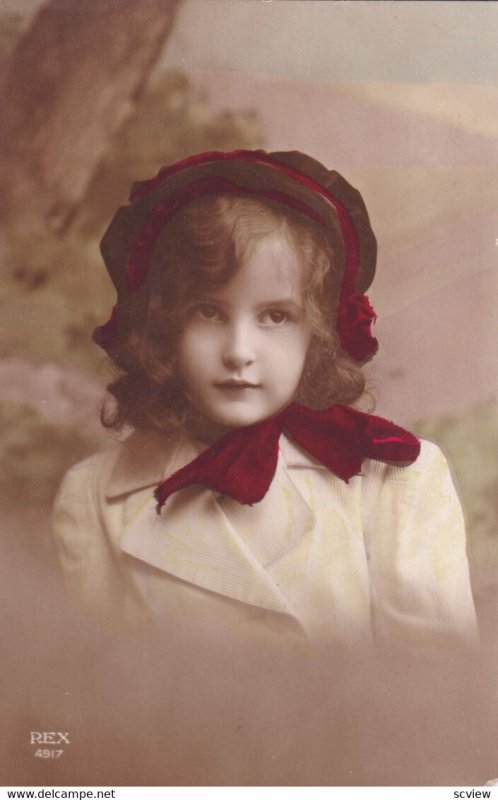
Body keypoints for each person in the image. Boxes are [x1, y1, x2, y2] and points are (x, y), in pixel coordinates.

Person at [52, 149, 478, 655]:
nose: (238, 352)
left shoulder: (395, 482)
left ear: (317, 334)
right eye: (209, 312)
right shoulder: (93, 497)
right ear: (164, 328)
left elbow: (431, 700)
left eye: (275, 317)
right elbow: (96, 697)